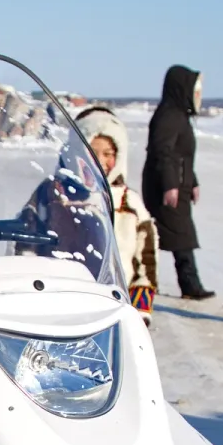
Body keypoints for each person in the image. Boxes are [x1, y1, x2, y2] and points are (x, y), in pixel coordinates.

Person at [75, 106, 159, 320]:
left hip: (117, 310)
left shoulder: (130, 204)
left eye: (108, 154)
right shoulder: (55, 196)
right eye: (92, 152)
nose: (101, 161)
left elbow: (145, 262)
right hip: (65, 307)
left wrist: (140, 311)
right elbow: (26, 249)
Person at [141, 65, 212, 299]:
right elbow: (164, 152)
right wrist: (170, 184)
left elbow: (183, 155)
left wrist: (193, 182)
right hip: (166, 186)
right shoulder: (169, 116)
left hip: (177, 183)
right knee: (177, 235)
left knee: (176, 235)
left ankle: (178, 283)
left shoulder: (178, 115)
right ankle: (186, 285)